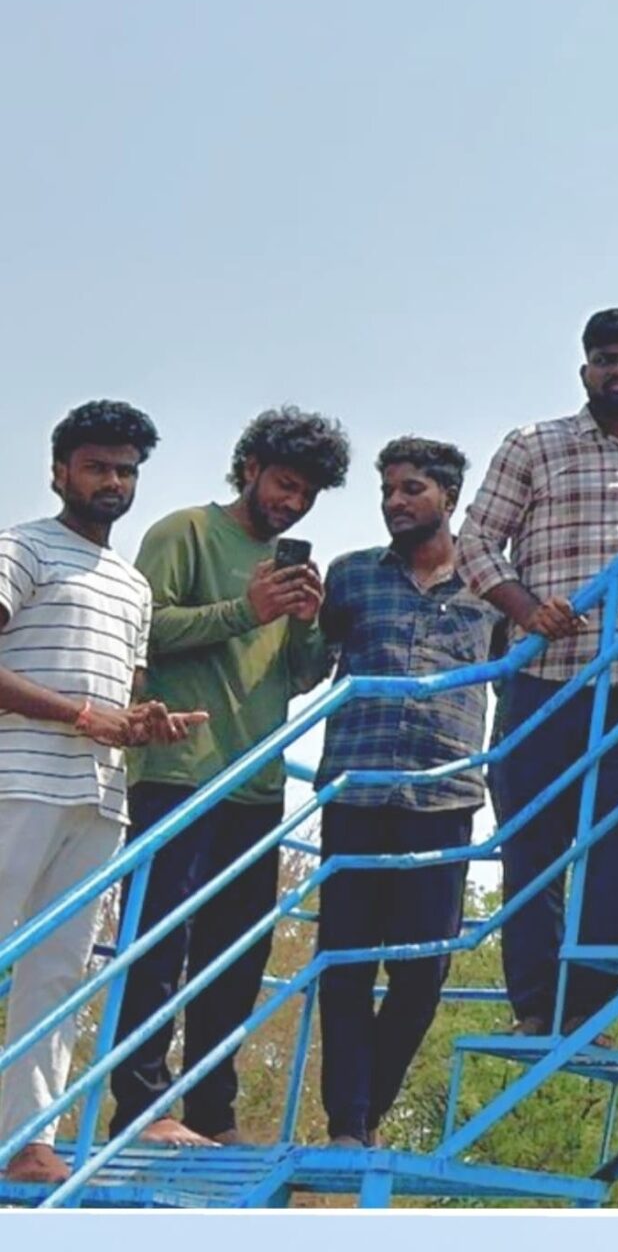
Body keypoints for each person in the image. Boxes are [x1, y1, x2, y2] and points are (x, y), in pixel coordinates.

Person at [458, 309, 618, 1037]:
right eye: (606, 360)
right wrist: (527, 608)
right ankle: (537, 1007)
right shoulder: (536, 445)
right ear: (584, 372)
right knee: (532, 844)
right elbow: (476, 544)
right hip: (546, 678)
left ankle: (591, 1007)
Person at [111, 406, 349, 1147]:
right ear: (249, 467)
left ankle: (211, 1110)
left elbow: (304, 673)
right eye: (283, 483)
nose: (292, 503)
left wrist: (308, 621)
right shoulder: (183, 532)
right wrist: (242, 610)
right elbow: (143, 630)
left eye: (307, 494)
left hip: (257, 785)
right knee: (156, 945)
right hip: (178, 773)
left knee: (237, 960)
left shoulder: (288, 565)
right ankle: (143, 1111)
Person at [1, 404, 201, 1187]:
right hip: (16, 783)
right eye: (96, 467)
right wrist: (82, 713)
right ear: (60, 472)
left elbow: (125, 693)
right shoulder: (20, 549)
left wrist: (145, 722)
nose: (112, 482)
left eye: (124, 470)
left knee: (59, 972)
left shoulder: (131, 584)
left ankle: (27, 1140)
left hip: (98, 797)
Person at [311, 437, 488, 1148]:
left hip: (443, 797)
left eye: (411, 489)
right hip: (355, 790)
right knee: (345, 964)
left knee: (422, 973)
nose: (394, 503)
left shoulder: (489, 586)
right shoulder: (350, 577)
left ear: (449, 497)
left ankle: (369, 1107)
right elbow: (305, 664)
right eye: (386, 491)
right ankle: (348, 1125)